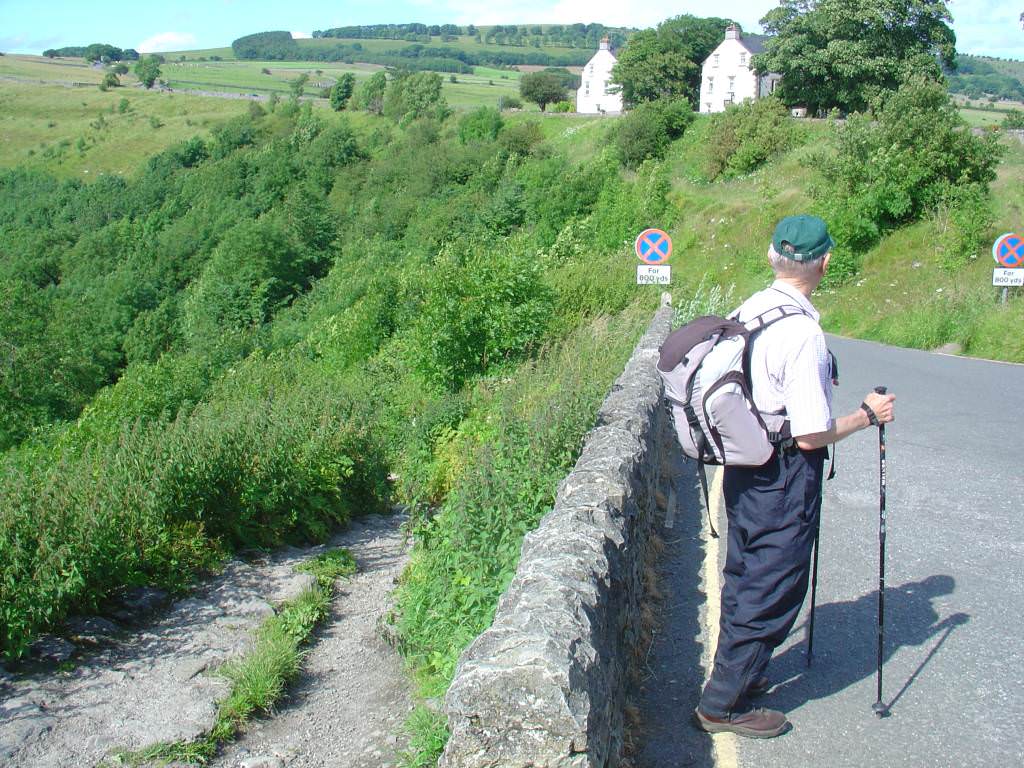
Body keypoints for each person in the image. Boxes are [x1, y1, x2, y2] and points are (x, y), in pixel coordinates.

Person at [694, 215, 896, 739]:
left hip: (746, 465)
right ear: (825, 262)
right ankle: (723, 705)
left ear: (771, 257)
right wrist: (867, 415)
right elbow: (811, 434)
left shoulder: (751, 307)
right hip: (783, 473)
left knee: (745, 575)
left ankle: (743, 673)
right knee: (774, 585)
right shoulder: (803, 331)